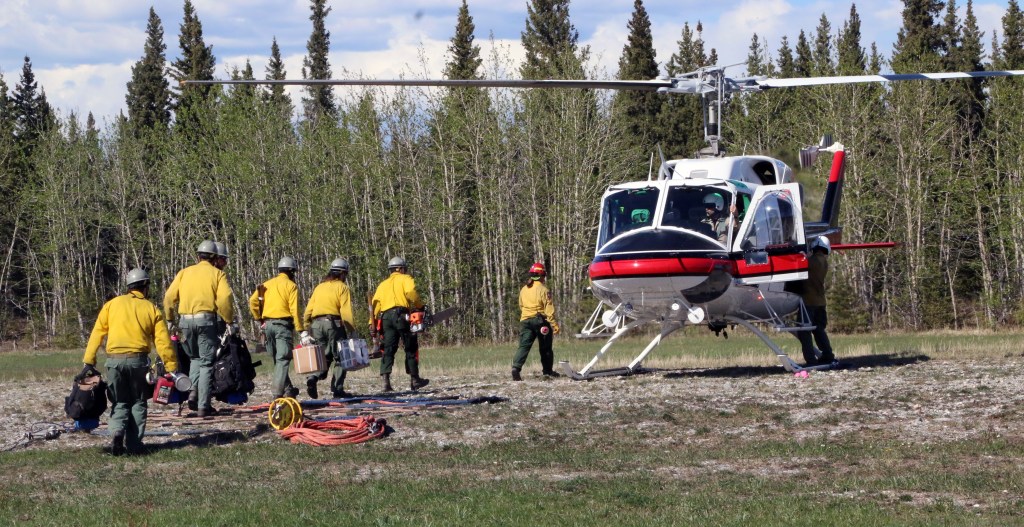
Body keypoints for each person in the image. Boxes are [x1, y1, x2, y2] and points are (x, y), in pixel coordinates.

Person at [83, 268, 178, 455]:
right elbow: (163, 342)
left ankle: (117, 432)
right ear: (145, 286)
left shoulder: (112, 305)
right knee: (138, 402)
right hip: (139, 363)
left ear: (129, 286)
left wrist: (89, 361)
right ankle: (134, 445)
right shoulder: (150, 308)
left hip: (114, 362)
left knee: (119, 402)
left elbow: (97, 333)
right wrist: (172, 366)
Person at [163, 240, 233, 417]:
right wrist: (229, 320)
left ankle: (193, 392)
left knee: (195, 358)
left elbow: (169, 297)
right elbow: (224, 299)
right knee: (207, 363)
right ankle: (204, 405)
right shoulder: (217, 274)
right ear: (215, 257)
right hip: (206, 321)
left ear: (198, 255)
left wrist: (170, 318)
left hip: (185, 322)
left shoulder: (184, 272)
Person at [249, 256, 308, 399]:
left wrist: (259, 318)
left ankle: (288, 389)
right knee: (283, 359)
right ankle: (277, 393)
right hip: (283, 325)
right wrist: (301, 329)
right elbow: (294, 310)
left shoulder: (267, 284)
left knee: (277, 359)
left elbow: (252, 301)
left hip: (267, 325)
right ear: (291, 272)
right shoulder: (291, 286)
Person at [370, 256, 429, 392]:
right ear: (401, 268)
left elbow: (375, 305)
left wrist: (371, 323)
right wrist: (420, 306)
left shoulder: (382, 285)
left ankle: (386, 382)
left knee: (388, 348)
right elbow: (410, 292)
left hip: (385, 318)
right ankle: (414, 379)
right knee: (410, 346)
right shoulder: (406, 279)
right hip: (401, 316)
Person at [302, 258, 355, 398]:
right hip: (333, 324)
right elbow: (345, 312)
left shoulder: (319, 287)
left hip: (316, 324)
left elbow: (308, 309)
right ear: (343, 273)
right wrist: (351, 330)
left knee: (323, 356)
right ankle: (337, 389)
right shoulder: (342, 288)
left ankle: (313, 377)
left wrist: (306, 327)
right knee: (341, 356)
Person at [511, 262, 561, 381]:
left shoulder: (524, 289)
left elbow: (521, 305)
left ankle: (516, 368)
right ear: (542, 275)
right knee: (545, 348)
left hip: (525, 320)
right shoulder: (543, 289)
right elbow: (548, 310)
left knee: (523, 346)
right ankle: (547, 371)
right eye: (544, 275)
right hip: (540, 321)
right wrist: (554, 324)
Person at [794, 236, 836, 366]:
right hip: (820, 302)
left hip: (808, 301)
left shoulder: (812, 261)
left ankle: (811, 360)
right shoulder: (823, 261)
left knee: (804, 331)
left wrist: (800, 255)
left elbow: (801, 263)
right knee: (819, 330)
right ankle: (828, 355)